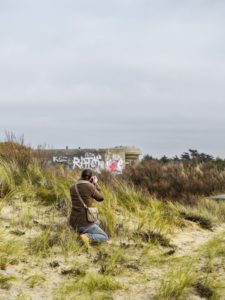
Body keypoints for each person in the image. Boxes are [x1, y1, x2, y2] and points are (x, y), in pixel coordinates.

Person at [69, 169, 108, 245]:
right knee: (104, 237)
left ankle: (77, 233)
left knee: (97, 222)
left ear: (81, 176)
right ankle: (85, 237)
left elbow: (81, 185)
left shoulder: (73, 187)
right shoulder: (90, 186)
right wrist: (95, 184)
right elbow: (101, 198)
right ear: (90, 178)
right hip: (85, 222)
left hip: (73, 222)